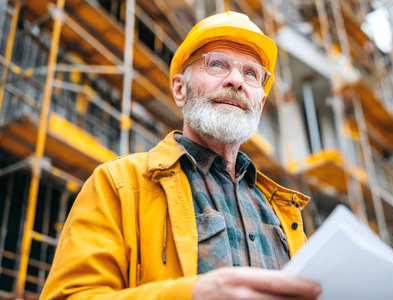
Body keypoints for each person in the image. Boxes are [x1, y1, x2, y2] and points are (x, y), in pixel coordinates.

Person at [41, 11, 322, 300]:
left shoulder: (284, 214)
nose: (236, 80)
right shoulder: (119, 185)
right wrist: (193, 294)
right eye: (217, 64)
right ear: (179, 89)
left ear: (260, 104)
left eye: (251, 73)